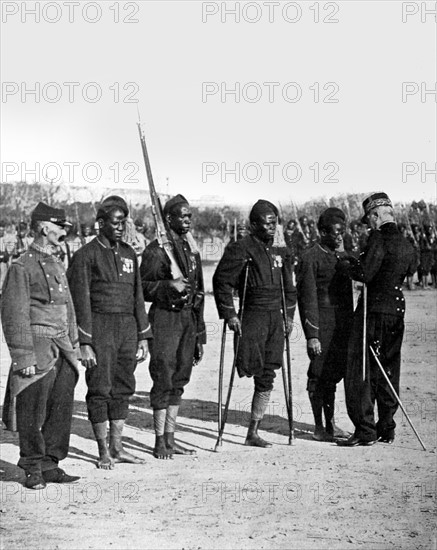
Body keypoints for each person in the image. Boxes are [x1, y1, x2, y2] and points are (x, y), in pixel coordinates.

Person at [68, 196, 151, 469]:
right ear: (100, 223)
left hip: (127, 328)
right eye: (115, 222)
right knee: (100, 387)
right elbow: (80, 302)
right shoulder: (85, 256)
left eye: (123, 222)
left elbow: (137, 296)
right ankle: (103, 451)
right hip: (100, 328)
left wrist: (143, 335)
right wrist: (85, 342)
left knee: (123, 388)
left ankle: (118, 447)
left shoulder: (129, 254)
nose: (120, 227)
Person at [1, 203, 81, 489]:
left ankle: (50, 464)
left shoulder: (58, 263)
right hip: (37, 348)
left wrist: (75, 344)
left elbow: (68, 308)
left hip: (62, 349)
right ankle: (32, 466)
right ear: (45, 228)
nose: (64, 232)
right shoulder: (21, 267)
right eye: (60, 228)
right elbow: (14, 314)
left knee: (60, 408)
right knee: (31, 410)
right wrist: (23, 356)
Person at [213, 199, 296, 448]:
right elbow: (222, 281)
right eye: (266, 223)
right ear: (254, 224)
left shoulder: (281, 250)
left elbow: (289, 289)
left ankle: (253, 431)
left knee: (268, 372)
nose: (271, 227)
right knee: (251, 365)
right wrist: (230, 315)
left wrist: (289, 316)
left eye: (274, 222)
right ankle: (246, 430)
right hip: (252, 316)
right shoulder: (241, 248)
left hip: (275, 317)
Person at [337, 193, 416, 446]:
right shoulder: (405, 241)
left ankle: (365, 430)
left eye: (369, 219)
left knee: (361, 368)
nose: (369, 224)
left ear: (375, 216)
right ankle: (387, 427)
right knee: (389, 368)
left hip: (373, 312)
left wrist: (345, 261)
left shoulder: (378, 238)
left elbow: (365, 273)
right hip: (397, 311)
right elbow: (412, 269)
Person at [141, 194, 206, 459]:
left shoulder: (191, 250)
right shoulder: (156, 249)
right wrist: (167, 286)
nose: (188, 220)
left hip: (187, 321)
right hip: (165, 319)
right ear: (168, 219)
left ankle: (171, 437)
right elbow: (142, 288)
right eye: (182, 215)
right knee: (163, 377)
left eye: (189, 215)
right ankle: (158, 440)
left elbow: (199, 291)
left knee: (180, 377)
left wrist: (200, 334)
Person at [297, 208, 353, 441]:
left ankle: (330, 425)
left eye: (342, 232)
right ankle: (319, 428)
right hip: (322, 326)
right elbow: (307, 299)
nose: (339, 236)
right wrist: (313, 335)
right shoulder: (310, 258)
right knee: (318, 375)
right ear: (321, 232)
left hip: (342, 326)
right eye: (335, 232)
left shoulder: (343, 256)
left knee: (333, 375)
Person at [0, 221, 11, 296]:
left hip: (3, 258)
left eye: (2, 230)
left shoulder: (6, 237)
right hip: (2, 256)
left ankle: (1, 288)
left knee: (4, 272)